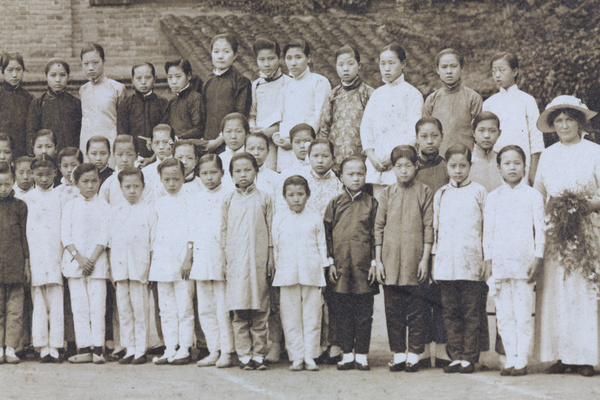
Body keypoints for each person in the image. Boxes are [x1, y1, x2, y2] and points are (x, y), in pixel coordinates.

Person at [533, 95, 600, 377]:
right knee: (556, 291)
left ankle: (584, 356)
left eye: (569, 119)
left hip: (587, 230)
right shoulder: (548, 155)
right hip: (555, 233)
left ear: (579, 122)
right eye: (558, 120)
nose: (563, 125)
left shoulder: (595, 151)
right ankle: (559, 354)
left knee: (581, 291)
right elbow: (538, 193)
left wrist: (584, 207)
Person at [483, 145, 544, 376]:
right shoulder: (493, 197)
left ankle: (521, 359)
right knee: (504, 314)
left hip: (524, 264)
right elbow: (487, 232)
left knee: (523, 313)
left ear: (524, 166)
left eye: (517, 163)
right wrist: (488, 260)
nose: (512, 167)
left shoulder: (533, 196)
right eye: (506, 163)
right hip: (500, 264)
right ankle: (509, 357)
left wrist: (538, 257)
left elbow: (540, 230)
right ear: (499, 167)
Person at [374, 145, 433, 373]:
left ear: (416, 166)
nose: (404, 171)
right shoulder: (386, 194)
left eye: (408, 165)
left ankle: (414, 354)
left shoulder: (424, 191)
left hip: (415, 261)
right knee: (393, 312)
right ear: (393, 169)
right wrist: (378, 261)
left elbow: (429, 227)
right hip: (390, 263)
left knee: (417, 311)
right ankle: (398, 353)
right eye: (399, 166)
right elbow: (378, 228)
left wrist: (424, 259)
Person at [432, 145, 487, 374]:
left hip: (471, 262)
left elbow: (486, 228)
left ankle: (469, 356)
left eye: (462, 166)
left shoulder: (479, 192)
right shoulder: (441, 193)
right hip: (446, 263)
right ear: (446, 166)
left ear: (470, 166)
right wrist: (435, 261)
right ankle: (455, 355)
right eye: (453, 166)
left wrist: (485, 258)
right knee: (450, 312)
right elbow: (435, 230)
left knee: (471, 313)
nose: (457, 170)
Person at [324, 156, 378, 371]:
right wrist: (330, 262)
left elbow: (376, 235)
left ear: (366, 176)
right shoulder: (335, 204)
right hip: (341, 267)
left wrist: (375, 262)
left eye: (360, 174)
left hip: (364, 267)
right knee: (343, 313)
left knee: (364, 314)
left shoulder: (372, 203)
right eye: (351, 174)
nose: (356, 178)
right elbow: (327, 235)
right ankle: (347, 353)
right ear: (341, 176)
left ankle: (362, 354)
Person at [222, 153, 273, 370]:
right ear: (231, 174)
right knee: (239, 310)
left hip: (259, 261)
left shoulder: (265, 198)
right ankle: (244, 355)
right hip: (236, 263)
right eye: (238, 171)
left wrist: (270, 258)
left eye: (247, 170)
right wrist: (225, 261)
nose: (243, 175)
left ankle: (259, 355)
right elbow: (223, 232)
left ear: (256, 171)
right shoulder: (228, 200)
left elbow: (271, 232)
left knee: (260, 310)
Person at [273, 175, 329, 372]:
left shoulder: (314, 218)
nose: (296, 199)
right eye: (291, 195)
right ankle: (296, 356)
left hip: (311, 273)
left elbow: (322, 246)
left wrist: (323, 270)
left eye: (300, 194)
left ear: (308, 195)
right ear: (284, 197)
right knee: (290, 317)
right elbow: (276, 248)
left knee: (312, 316)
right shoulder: (279, 219)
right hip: (287, 274)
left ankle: (310, 356)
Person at [61, 163, 110, 364]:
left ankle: (98, 349)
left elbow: (104, 235)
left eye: (94, 181)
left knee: (98, 306)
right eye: (85, 181)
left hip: (96, 263)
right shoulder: (70, 206)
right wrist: (79, 258)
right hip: (76, 263)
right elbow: (66, 234)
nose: (90, 185)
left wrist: (92, 258)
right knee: (79, 306)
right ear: (76, 183)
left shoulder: (105, 206)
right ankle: (84, 347)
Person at [360, 43, 423, 199]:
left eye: (391, 63)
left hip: (400, 164)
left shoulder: (412, 94)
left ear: (403, 64)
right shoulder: (376, 94)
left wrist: (393, 158)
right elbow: (366, 126)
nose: (386, 68)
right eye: (383, 64)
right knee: (380, 211)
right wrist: (371, 155)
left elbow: (413, 132)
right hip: (377, 163)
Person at [190, 154, 235, 368]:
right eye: (205, 173)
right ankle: (213, 349)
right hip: (201, 256)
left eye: (213, 172)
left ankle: (227, 350)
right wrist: (189, 257)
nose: (209, 178)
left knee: (222, 307)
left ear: (222, 173)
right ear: (199, 176)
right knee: (206, 308)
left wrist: (228, 258)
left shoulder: (228, 195)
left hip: (221, 257)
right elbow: (192, 230)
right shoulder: (196, 198)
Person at [149, 158, 194, 365]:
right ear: (161, 180)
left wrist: (188, 258)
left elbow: (193, 232)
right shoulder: (159, 203)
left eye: (176, 178)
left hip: (182, 262)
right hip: (162, 262)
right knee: (166, 309)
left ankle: (184, 348)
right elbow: (154, 235)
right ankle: (169, 348)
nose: (172, 183)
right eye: (167, 179)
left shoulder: (190, 200)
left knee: (184, 307)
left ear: (183, 177)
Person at [109, 167, 156, 365]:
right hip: (121, 267)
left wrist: (151, 269)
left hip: (140, 267)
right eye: (127, 186)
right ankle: (128, 348)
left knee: (139, 309)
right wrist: (112, 270)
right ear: (120, 187)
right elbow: (111, 243)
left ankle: (140, 349)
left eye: (136, 186)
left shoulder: (148, 211)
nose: (132, 190)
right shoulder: (115, 212)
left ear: (143, 187)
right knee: (124, 309)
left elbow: (153, 243)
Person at [413, 117, 450, 368]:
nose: (429, 141)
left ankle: (445, 349)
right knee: (421, 295)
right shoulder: (410, 168)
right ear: (417, 138)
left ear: (441, 137)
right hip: (419, 239)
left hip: (445, 237)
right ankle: (424, 349)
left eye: (434, 136)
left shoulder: (449, 167)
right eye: (424, 136)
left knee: (442, 294)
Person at [23, 155, 63, 363]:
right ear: (32, 175)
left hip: (55, 254)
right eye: (39, 175)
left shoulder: (61, 196)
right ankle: (42, 345)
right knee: (38, 300)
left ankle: (55, 345)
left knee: (56, 300)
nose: (44, 179)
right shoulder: (27, 199)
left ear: (55, 173)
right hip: (37, 255)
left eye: (48, 174)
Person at [482, 52, 544, 184]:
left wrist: (533, 170)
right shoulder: (489, 103)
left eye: (502, 70)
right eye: (494, 71)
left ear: (515, 71)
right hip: (495, 165)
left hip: (522, 164)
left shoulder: (527, 100)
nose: (497, 75)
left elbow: (536, 137)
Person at [275, 39, 331, 172]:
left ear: (308, 58)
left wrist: (297, 141)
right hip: (285, 147)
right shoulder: (285, 86)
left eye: (298, 57)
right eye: (289, 58)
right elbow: (280, 115)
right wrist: (276, 136)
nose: (293, 63)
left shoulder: (319, 82)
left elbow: (320, 116)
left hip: (307, 145)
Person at [319, 44, 373, 169]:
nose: (345, 69)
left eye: (350, 64)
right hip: (336, 156)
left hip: (361, 156)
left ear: (359, 66)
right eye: (341, 65)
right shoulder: (333, 94)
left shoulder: (368, 93)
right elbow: (325, 127)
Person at [423, 48, 483, 155]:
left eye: (453, 66)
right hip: (437, 160)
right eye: (444, 67)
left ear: (462, 68)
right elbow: (424, 134)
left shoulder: (473, 98)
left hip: (464, 160)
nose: (449, 71)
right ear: (437, 70)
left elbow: (480, 134)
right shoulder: (432, 99)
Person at [0, 162, 30, 364]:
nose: (3, 188)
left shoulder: (20, 206)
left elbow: (24, 237)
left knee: (15, 310)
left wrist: (26, 263)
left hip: (15, 265)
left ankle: (11, 347)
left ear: (13, 182)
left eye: (7, 183)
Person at [203, 34, 252, 155]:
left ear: (234, 55)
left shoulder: (241, 82)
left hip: (231, 143)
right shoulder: (208, 82)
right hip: (208, 143)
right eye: (216, 51)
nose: (220, 56)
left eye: (226, 52)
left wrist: (219, 141)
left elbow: (240, 116)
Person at [249, 38, 290, 171]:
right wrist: (254, 129)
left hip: (283, 138)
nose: (266, 64)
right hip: (262, 141)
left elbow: (290, 114)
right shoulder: (255, 86)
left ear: (279, 58)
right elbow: (252, 114)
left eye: (271, 59)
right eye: (262, 60)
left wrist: (274, 130)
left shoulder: (289, 83)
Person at [79, 43, 125, 158]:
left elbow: (123, 122)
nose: (90, 68)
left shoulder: (117, 88)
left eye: (95, 63)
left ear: (104, 61)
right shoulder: (83, 90)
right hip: (87, 146)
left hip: (109, 145)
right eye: (86, 64)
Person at [27, 58, 81, 154]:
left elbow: (79, 132)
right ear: (46, 77)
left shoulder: (75, 103)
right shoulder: (38, 103)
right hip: (46, 155)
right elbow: (31, 133)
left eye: (62, 75)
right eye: (53, 75)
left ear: (68, 77)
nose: (58, 79)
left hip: (70, 156)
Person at [117, 62, 168, 161]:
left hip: (158, 156)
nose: (143, 82)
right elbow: (123, 134)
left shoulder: (163, 103)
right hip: (134, 158)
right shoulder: (125, 105)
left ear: (154, 79)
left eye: (148, 77)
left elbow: (166, 132)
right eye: (139, 78)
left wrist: (153, 158)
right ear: (132, 80)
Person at [100, 135, 153, 206]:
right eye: (120, 154)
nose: (124, 159)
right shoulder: (108, 184)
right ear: (114, 155)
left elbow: (150, 206)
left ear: (137, 156)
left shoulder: (145, 182)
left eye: (129, 154)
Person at [162, 59, 205, 142]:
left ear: (188, 76)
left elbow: (199, 128)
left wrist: (178, 138)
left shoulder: (196, 98)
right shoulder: (172, 101)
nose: (173, 81)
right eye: (170, 77)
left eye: (178, 76)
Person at [0, 53, 34, 157]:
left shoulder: (29, 98)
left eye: (18, 69)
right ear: (2, 71)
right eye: (10, 70)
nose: (14, 75)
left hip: (22, 153)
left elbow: (31, 130)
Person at [470, 112, 503, 192]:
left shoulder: (503, 161)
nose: (486, 135)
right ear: (473, 132)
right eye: (481, 130)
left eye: (492, 131)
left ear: (499, 133)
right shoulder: (466, 161)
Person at [143, 124, 174, 196]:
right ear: (151, 145)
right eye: (156, 143)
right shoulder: (146, 172)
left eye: (165, 142)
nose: (161, 147)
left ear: (173, 143)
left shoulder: (180, 168)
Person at [246, 133, 280, 199]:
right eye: (251, 149)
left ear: (268, 151)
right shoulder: (236, 177)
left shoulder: (276, 178)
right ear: (245, 150)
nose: (256, 153)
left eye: (261, 149)